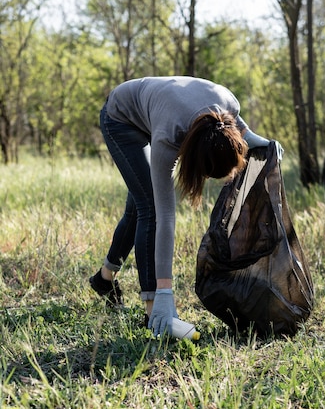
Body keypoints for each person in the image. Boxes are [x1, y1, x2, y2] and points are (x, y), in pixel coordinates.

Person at [89, 76, 270, 338]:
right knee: (150, 206)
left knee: (139, 203)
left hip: (159, 108)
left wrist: (262, 143)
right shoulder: (168, 138)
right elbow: (165, 218)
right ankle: (153, 312)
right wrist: (164, 292)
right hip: (120, 117)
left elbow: (238, 127)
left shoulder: (229, 103)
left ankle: (104, 279)